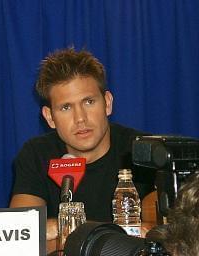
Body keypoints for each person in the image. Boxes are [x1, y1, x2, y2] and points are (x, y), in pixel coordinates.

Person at [9, 48, 155, 253]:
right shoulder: (36, 154)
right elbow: (21, 234)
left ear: (107, 103)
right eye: (66, 108)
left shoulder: (143, 150)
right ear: (50, 117)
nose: (80, 118)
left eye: (89, 102)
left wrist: (60, 230)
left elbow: (155, 234)